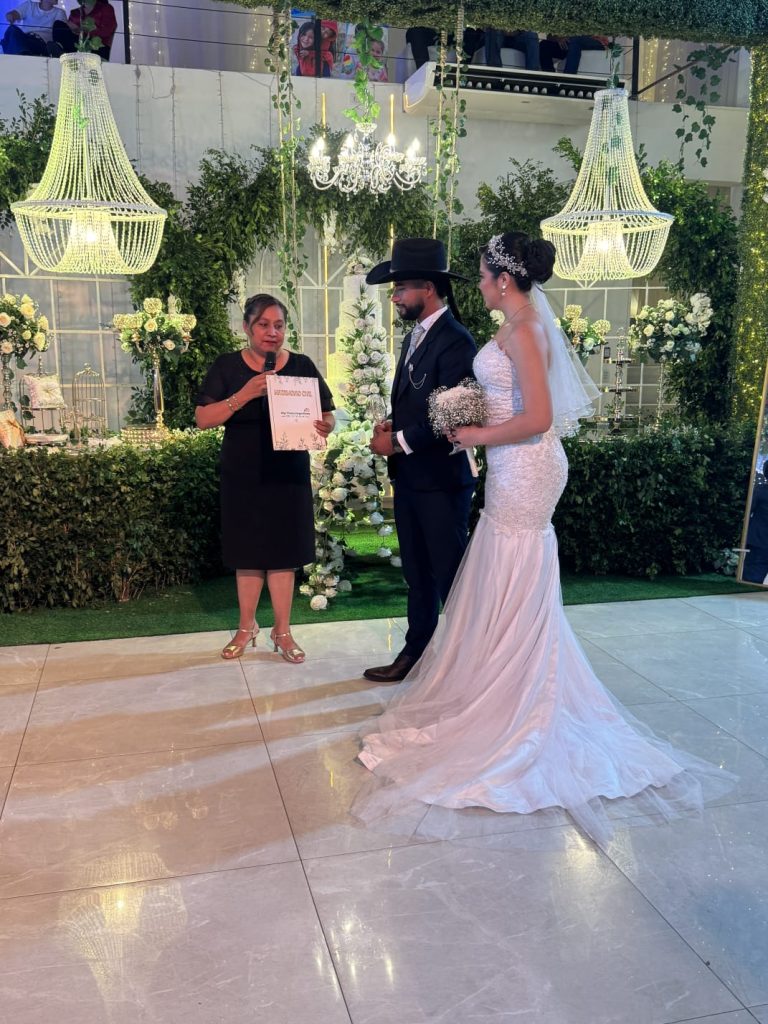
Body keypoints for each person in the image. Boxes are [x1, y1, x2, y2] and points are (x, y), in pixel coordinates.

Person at [357, 232, 733, 845]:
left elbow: (538, 418)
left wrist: (473, 435)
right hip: (511, 465)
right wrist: (464, 416)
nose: (479, 285)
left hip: (528, 467)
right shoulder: (513, 325)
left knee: (515, 563)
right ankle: (496, 685)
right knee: (501, 569)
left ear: (504, 280)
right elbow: (507, 401)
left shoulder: (528, 329)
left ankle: (521, 699)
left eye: (483, 276)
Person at [195, 294, 335, 663]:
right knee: (248, 552)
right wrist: (243, 395)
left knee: (284, 553)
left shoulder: (301, 365)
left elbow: (327, 413)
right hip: (243, 473)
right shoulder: (227, 366)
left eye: (279, 325)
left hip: (288, 473)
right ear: (247, 327)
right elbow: (203, 418)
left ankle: (282, 631)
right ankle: (247, 627)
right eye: (263, 325)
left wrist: (326, 425)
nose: (272, 332)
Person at [363, 238, 477, 684]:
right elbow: (424, 402)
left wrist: (397, 442)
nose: (394, 297)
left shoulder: (456, 340)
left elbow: (455, 415)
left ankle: (467, 665)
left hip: (442, 482)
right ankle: (417, 654)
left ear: (428, 288)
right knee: (416, 573)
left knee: (451, 578)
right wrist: (395, 424)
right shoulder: (416, 335)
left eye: (400, 288)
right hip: (412, 478)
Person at [47, 0, 116, 61]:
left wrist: (83, 30)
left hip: (96, 47)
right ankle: (61, 53)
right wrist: (74, 29)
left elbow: (107, 31)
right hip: (77, 44)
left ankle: (64, 54)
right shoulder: (75, 12)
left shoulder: (106, 8)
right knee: (58, 25)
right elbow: (70, 31)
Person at [743, 459, 768, 585]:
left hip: (759, 542)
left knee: (752, 578)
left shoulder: (760, 490)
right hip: (759, 542)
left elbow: (748, 511)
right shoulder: (760, 490)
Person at [539, 34, 610, 74]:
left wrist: (569, 37)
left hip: (596, 41)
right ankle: (549, 78)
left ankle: (568, 78)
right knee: (544, 44)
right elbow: (549, 36)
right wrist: (558, 38)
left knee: (575, 39)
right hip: (569, 43)